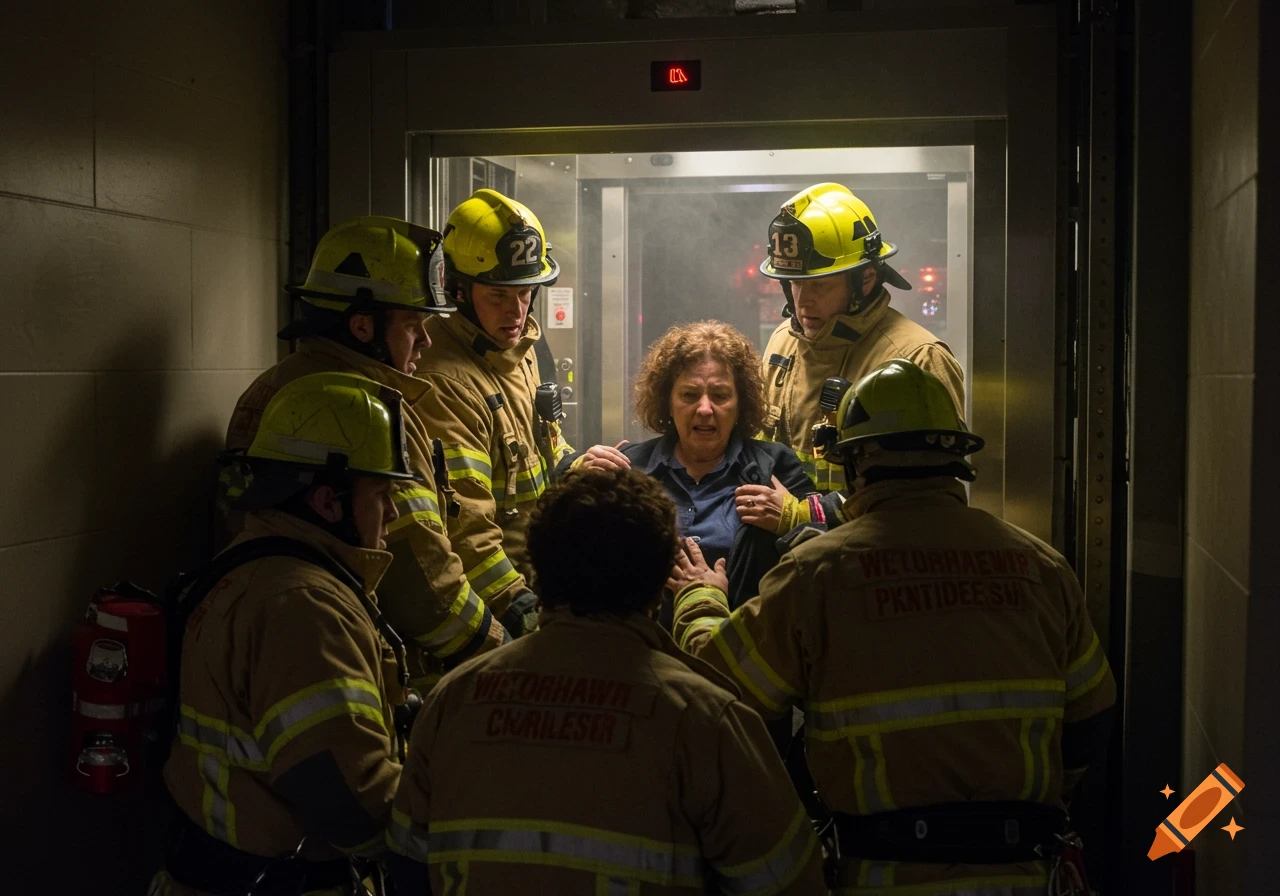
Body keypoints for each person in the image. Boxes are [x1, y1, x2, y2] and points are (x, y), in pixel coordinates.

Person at [670, 360, 1115, 894]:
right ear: (955, 458)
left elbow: (718, 692)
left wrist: (701, 595)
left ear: (856, 464)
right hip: (1024, 874)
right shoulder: (1042, 568)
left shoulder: (818, 575)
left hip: (882, 874)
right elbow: (1091, 719)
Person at [385, 468, 826, 895]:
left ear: (537, 570)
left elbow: (407, 867)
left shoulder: (453, 700)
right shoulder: (708, 721)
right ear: (660, 581)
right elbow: (787, 882)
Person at [150, 373, 417, 896]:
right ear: (328, 500)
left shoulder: (252, 568)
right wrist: (457, 826)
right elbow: (352, 805)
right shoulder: (303, 607)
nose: (393, 512)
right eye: (382, 493)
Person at [220, 216, 507, 690]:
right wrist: (503, 654)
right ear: (362, 325)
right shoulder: (370, 413)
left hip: (270, 643)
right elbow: (423, 587)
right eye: (413, 325)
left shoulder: (270, 391)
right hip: (355, 653)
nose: (426, 340)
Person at [569, 320, 830, 610]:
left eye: (720, 395)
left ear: (741, 404)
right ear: (667, 402)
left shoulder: (774, 466)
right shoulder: (628, 466)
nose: (705, 409)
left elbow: (829, 554)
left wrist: (795, 518)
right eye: (689, 395)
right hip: (642, 637)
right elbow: (570, 556)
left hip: (747, 633)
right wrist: (576, 481)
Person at [416, 189, 574, 638]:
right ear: (457, 291)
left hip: (536, 581)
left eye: (525, 293)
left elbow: (541, 447)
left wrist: (576, 465)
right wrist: (521, 612)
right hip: (496, 609)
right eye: (498, 296)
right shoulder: (445, 383)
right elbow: (467, 533)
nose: (516, 312)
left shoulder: (515, 348)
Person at [759, 183, 965, 494]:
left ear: (866, 280)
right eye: (795, 284)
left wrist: (804, 515)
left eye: (820, 285)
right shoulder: (782, 343)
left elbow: (930, 499)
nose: (803, 302)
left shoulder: (918, 358)